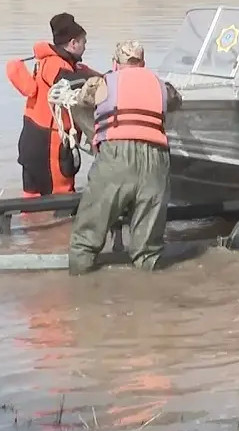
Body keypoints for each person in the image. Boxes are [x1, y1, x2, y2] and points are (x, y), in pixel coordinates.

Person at [68, 40, 179, 275]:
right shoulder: (162, 86)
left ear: (115, 64)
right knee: (148, 248)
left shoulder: (103, 82)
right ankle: (147, 291)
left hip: (116, 157)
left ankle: (78, 288)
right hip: (156, 159)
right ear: (144, 63)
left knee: (86, 238)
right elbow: (176, 102)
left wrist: (94, 136)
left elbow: (78, 103)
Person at [6, 12, 100, 198]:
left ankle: (31, 226)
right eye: (83, 42)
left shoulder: (46, 62)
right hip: (50, 144)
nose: (85, 46)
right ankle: (57, 228)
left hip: (33, 140)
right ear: (73, 43)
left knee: (32, 196)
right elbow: (67, 81)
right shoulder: (55, 64)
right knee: (61, 196)